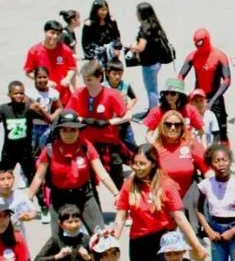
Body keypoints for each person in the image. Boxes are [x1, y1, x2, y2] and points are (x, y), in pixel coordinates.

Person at [113, 144, 206, 261]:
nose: (137, 167)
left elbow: (179, 217)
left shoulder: (166, 184)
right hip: (138, 241)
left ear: (153, 163)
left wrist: (196, 245)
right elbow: (121, 215)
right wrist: (113, 242)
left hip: (163, 240)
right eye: (134, 163)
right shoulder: (130, 184)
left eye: (142, 163)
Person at [26, 110, 119, 235]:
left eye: (73, 130)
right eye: (64, 130)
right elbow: (38, 177)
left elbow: (102, 173)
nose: (69, 134)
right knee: (58, 241)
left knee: (100, 235)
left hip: (84, 196)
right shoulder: (50, 150)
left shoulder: (86, 147)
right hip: (59, 198)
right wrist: (28, 199)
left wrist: (116, 194)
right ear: (59, 131)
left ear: (79, 131)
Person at [66, 60, 132, 190]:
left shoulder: (111, 94)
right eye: (85, 79)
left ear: (99, 77)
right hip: (87, 143)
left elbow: (127, 115)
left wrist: (108, 122)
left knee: (116, 175)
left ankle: (122, 204)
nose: (86, 83)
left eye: (89, 80)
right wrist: (83, 120)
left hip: (109, 141)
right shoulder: (79, 94)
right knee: (88, 178)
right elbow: (69, 114)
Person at [152, 109, 211, 231]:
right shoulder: (155, 148)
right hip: (163, 198)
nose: (173, 128)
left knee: (190, 235)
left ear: (182, 127)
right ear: (162, 126)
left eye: (177, 125)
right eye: (168, 124)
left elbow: (208, 171)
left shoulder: (190, 144)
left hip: (187, 197)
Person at [0, 80, 48, 192]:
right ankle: (4, 202)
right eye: (16, 93)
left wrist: (40, 110)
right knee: (4, 177)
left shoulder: (28, 108)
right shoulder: (3, 109)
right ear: (9, 94)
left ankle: (43, 204)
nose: (19, 96)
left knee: (33, 178)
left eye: (21, 93)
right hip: (9, 152)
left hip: (26, 152)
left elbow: (49, 120)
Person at [179, 28, 231, 143]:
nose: (198, 46)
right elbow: (181, 76)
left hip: (215, 96)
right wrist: (180, 94)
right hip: (197, 96)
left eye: (200, 42)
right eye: (196, 43)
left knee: (221, 131)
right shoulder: (192, 56)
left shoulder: (219, 56)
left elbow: (227, 80)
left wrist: (212, 101)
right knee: (192, 128)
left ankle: (224, 154)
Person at [125, 2, 174, 118]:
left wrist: (130, 46)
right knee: (153, 87)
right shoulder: (154, 24)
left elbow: (141, 47)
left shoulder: (144, 28)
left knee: (151, 89)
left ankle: (153, 113)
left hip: (149, 63)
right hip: (157, 62)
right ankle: (153, 110)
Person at [24, 19, 78, 107]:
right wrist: (44, 81)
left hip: (63, 96)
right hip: (43, 96)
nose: (54, 36)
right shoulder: (34, 51)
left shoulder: (65, 50)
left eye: (58, 34)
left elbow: (72, 68)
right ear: (45, 32)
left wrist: (67, 78)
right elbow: (28, 72)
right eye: (52, 33)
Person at [143, 78, 206, 143]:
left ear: (180, 95)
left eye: (172, 93)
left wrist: (204, 150)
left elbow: (202, 132)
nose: (169, 96)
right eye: (166, 93)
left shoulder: (190, 110)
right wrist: (157, 148)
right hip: (165, 147)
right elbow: (148, 135)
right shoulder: (157, 111)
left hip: (186, 147)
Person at [81, 0, 122, 65]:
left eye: (106, 10)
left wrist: (117, 48)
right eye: (102, 10)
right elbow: (85, 42)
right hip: (96, 55)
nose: (104, 12)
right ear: (96, 10)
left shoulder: (111, 21)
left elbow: (116, 35)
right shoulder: (89, 24)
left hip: (110, 53)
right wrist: (91, 57)